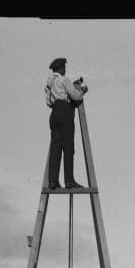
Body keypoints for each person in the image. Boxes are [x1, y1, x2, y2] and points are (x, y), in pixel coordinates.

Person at [44, 57, 89, 190]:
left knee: (56, 148)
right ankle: (69, 181)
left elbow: (49, 102)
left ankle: (53, 181)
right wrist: (82, 91)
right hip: (65, 112)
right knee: (68, 147)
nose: (65, 69)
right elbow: (75, 96)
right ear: (60, 68)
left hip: (54, 113)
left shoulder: (49, 82)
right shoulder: (63, 80)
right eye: (64, 67)